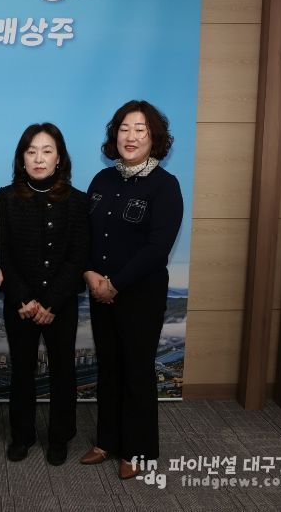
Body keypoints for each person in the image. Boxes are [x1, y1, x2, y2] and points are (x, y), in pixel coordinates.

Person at [79, 100, 183, 479]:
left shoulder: (165, 186)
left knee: (136, 371)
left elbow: (157, 249)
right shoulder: (101, 180)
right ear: (115, 135)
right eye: (124, 128)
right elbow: (85, 234)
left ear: (154, 137)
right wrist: (90, 274)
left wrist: (115, 284)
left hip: (141, 295)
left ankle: (138, 451)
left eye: (141, 130)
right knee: (108, 367)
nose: (131, 136)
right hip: (99, 292)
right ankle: (106, 441)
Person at [0, 123, 89, 466]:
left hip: (60, 304)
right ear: (22, 158)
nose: (39, 158)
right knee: (22, 371)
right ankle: (21, 436)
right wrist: (23, 298)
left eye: (47, 151)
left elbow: (78, 257)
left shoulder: (77, 201)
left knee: (63, 371)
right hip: (19, 303)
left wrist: (51, 302)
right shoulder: (5, 198)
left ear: (59, 158)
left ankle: (60, 437)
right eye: (31, 151)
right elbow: (1, 254)